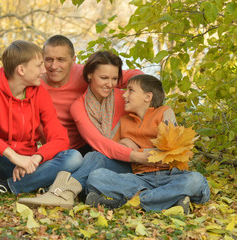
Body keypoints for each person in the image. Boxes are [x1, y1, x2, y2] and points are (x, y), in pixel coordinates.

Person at [18, 51, 151, 209]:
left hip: (141, 163)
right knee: (93, 159)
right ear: (89, 76)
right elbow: (99, 142)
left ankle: (60, 192)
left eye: (114, 79)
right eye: (104, 78)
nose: (110, 84)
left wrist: (134, 145)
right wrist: (130, 151)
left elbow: (149, 125)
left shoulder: (125, 99)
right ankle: (79, 194)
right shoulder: (78, 107)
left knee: (94, 159)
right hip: (113, 163)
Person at [0, 40, 83, 197]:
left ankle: (2, 186)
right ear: (21, 70)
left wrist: (35, 159)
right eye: (39, 65)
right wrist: (14, 157)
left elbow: (60, 137)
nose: (44, 70)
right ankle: (35, 182)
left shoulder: (39, 93)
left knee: (74, 157)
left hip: (27, 164)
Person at [84, 74, 210, 214]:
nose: (124, 95)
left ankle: (127, 203)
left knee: (195, 180)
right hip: (140, 180)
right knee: (96, 176)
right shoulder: (124, 121)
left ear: (147, 97)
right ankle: (170, 201)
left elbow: (172, 151)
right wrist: (123, 142)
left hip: (171, 176)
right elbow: (107, 148)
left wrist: (137, 152)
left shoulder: (165, 112)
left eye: (131, 90)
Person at [40, 35, 143, 156]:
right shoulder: (34, 83)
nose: (54, 66)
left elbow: (134, 76)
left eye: (61, 60)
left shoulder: (87, 74)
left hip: (85, 145)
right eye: (49, 59)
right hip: (54, 150)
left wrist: (143, 98)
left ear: (73, 60)